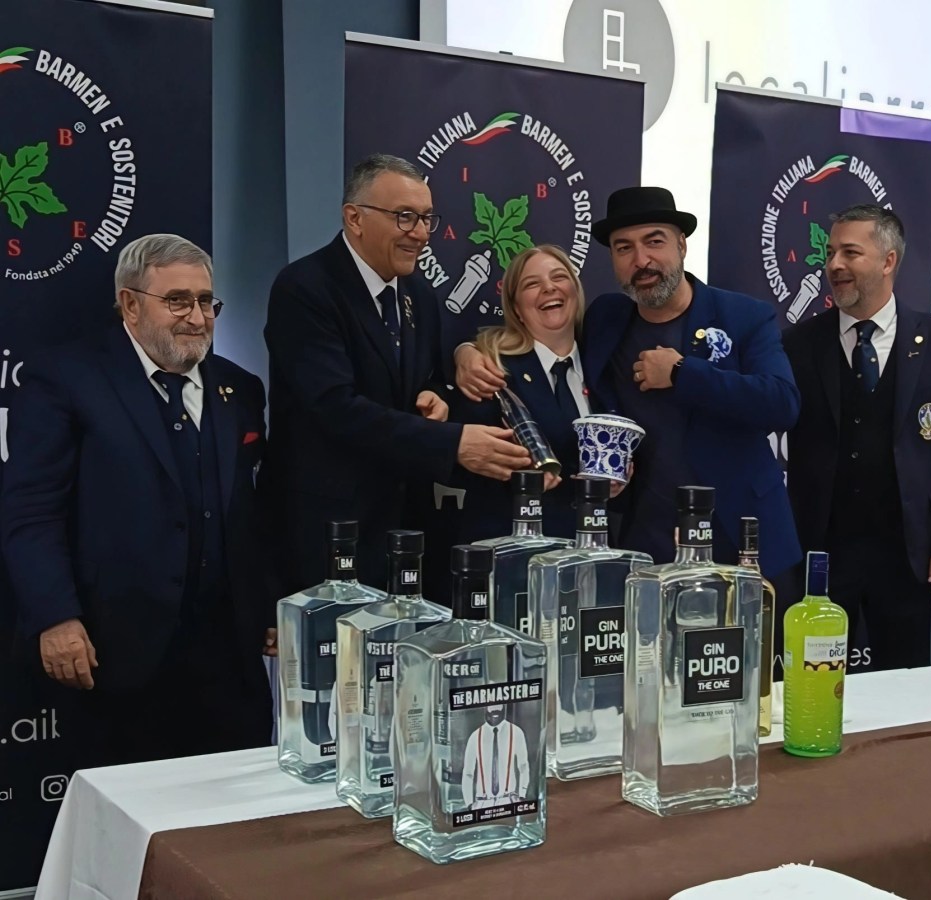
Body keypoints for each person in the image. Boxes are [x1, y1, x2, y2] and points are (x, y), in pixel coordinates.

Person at [0, 234, 273, 765]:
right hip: (113, 658)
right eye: (177, 301)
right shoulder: (65, 379)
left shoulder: (239, 387)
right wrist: (56, 617)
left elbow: (254, 510)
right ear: (129, 303)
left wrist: (269, 603)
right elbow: (32, 512)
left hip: (228, 663)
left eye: (206, 301)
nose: (197, 317)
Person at [457, 187, 801, 579]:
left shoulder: (743, 315)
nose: (641, 260)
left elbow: (782, 404)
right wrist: (466, 352)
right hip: (644, 542)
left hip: (739, 535)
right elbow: (539, 336)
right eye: (624, 248)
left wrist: (682, 373)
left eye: (654, 242)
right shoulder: (606, 318)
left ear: (681, 245)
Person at [261, 154, 529, 594]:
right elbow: (334, 407)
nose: (420, 233)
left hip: (406, 534)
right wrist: (452, 444)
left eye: (426, 218)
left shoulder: (419, 294)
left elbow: (427, 378)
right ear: (355, 218)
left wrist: (436, 397)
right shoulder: (305, 287)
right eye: (405, 217)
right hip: (328, 536)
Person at [785, 205, 931, 670]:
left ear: (889, 261)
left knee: (904, 681)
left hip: (907, 551)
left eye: (850, 253)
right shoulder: (798, 344)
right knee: (815, 675)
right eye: (831, 253)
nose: (834, 265)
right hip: (822, 550)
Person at [440, 244, 591, 543]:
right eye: (532, 284)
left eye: (559, 277)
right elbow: (465, 462)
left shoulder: (603, 364)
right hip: (513, 550)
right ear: (517, 308)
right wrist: (518, 470)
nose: (549, 288)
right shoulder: (491, 371)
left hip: (593, 549)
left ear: (575, 291)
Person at [461, 705, 530, 809]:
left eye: (498, 705)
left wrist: (522, 795)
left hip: (509, 799)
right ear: (485, 708)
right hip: (483, 802)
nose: (494, 709)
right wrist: (469, 803)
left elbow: (523, 766)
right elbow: (468, 772)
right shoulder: (475, 736)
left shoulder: (516, 732)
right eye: (491, 706)